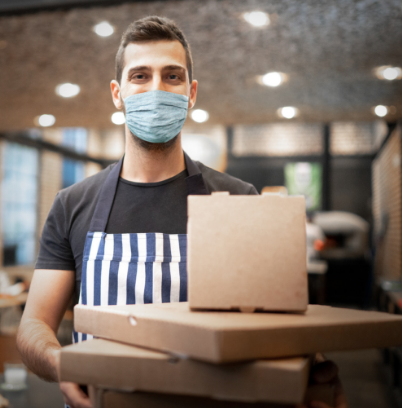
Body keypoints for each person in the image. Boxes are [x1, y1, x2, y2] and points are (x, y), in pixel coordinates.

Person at [16, 16, 347, 408]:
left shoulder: (238, 197)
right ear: (117, 93)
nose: (156, 88)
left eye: (171, 76)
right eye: (140, 76)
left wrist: (309, 372)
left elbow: (275, 324)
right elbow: (34, 325)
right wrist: (62, 363)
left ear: (190, 93)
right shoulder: (73, 204)